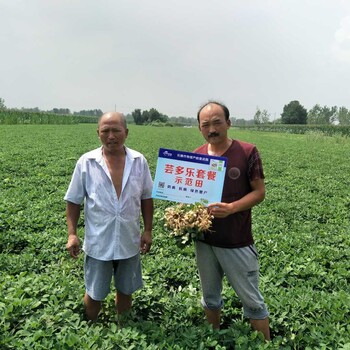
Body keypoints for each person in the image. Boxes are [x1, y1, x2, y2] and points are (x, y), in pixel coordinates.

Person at [64, 111, 154, 321]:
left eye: (116, 130)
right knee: (94, 292)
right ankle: (91, 329)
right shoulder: (86, 162)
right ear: (98, 133)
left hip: (128, 240)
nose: (111, 135)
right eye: (105, 131)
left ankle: (123, 331)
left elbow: (147, 198)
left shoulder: (139, 161)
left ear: (126, 132)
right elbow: (73, 200)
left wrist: (148, 230)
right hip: (98, 242)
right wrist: (72, 234)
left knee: (125, 290)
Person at [193, 101, 270, 340]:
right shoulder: (196, 156)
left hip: (237, 241)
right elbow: (191, 199)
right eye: (206, 125)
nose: (212, 129)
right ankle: (213, 338)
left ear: (228, 122)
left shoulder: (247, 152)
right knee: (210, 297)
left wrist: (232, 208)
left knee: (252, 300)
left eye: (217, 122)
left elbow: (259, 192)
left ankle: (266, 344)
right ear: (200, 128)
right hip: (204, 242)